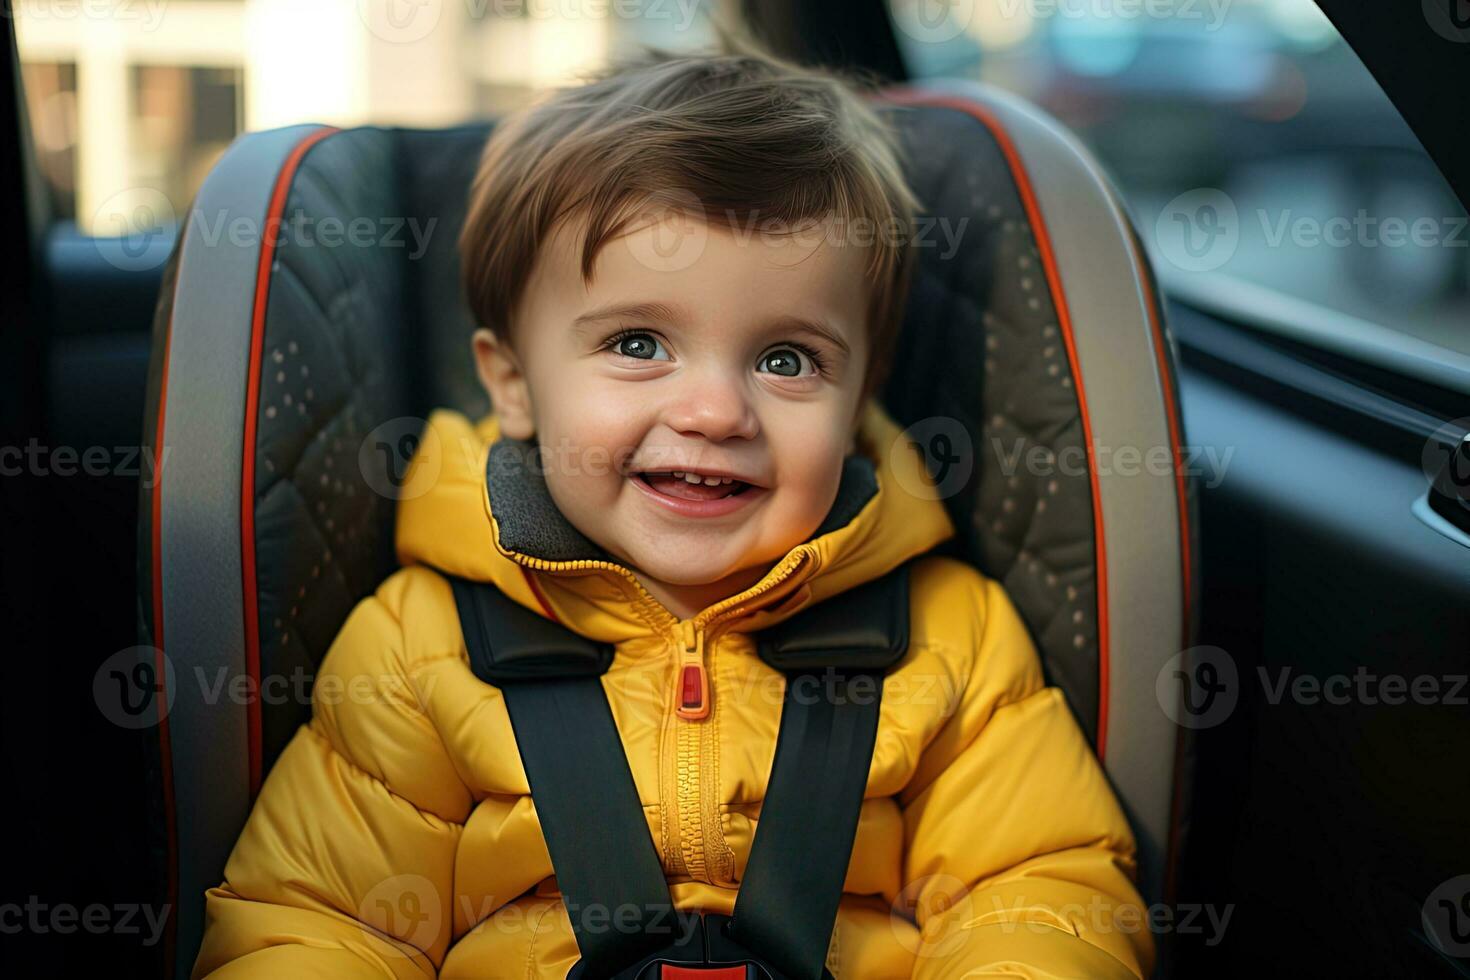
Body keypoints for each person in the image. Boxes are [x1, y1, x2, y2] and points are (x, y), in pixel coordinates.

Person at [192, 38, 1155, 980]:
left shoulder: (950, 638)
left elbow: (1038, 892)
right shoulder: (418, 649)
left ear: (859, 404)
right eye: (640, 343)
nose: (713, 412)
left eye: (787, 361)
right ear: (514, 384)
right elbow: (320, 923)